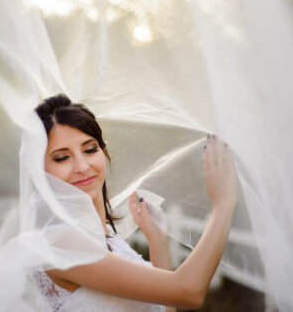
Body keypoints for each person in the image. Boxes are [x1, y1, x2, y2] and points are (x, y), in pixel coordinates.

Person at [32, 93, 238, 311]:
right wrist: (223, 204)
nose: (82, 166)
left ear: (103, 152)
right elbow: (189, 291)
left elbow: (164, 306)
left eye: (90, 149)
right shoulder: (62, 242)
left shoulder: (111, 242)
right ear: (39, 172)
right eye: (62, 157)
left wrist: (158, 241)